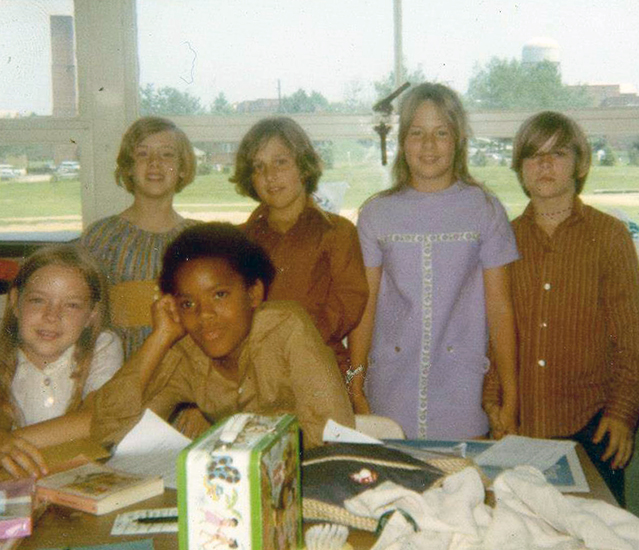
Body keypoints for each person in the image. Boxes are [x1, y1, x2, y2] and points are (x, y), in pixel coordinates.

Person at [483, 111, 639, 506]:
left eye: (559, 153)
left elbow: (631, 337)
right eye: (534, 155)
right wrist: (494, 404)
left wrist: (622, 413)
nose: (545, 164)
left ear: (580, 163)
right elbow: (491, 333)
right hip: (520, 426)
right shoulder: (504, 239)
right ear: (520, 169)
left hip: (593, 426)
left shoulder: (610, 236)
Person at [349, 82, 519, 440]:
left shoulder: (484, 209)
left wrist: (511, 395)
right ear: (402, 142)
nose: (428, 145)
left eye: (441, 132)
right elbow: (364, 307)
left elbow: (500, 308)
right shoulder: (376, 213)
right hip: (390, 389)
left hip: (462, 389)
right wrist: (354, 382)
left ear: (458, 140)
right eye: (417, 133)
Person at [90, 223, 354, 449]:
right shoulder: (187, 352)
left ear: (253, 294)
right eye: (188, 304)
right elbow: (111, 434)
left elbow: (334, 434)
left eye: (219, 295)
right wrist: (159, 339)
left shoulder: (287, 329)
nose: (204, 315)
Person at [230, 117, 368, 383]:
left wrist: (294, 338)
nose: (270, 176)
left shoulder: (336, 232)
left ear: (303, 167)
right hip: (255, 371)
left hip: (320, 366)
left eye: (281, 162)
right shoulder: (239, 241)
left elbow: (350, 300)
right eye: (259, 167)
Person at [80, 116, 199, 359]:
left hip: (185, 374)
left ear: (183, 167)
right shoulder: (102, 237)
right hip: (119, 370)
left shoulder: (200, 240)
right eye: (143, 154)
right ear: (129, 168)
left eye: (167, 154)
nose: (155, 163)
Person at [0, 245, 122, 478]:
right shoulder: (5, 351)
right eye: (38, 300)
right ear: (15, 301)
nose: (52, 315)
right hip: (27, 478)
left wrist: (10, 442)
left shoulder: (102, 346)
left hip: (88, 473)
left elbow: (95, 419)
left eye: (71, 305)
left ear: (92, 314)